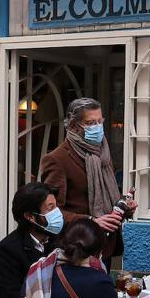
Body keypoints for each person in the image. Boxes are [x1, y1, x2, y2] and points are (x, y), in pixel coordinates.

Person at [40, 98, 136, 266]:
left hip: (105, 245)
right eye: (91, 123)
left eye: (100, 121)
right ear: (74, 125)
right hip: (77, 249)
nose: (98, 127)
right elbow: (51, 211)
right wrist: (91, 220)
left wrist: (124, 207)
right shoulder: (57, 159)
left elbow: (105, 193)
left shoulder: (102, 153)